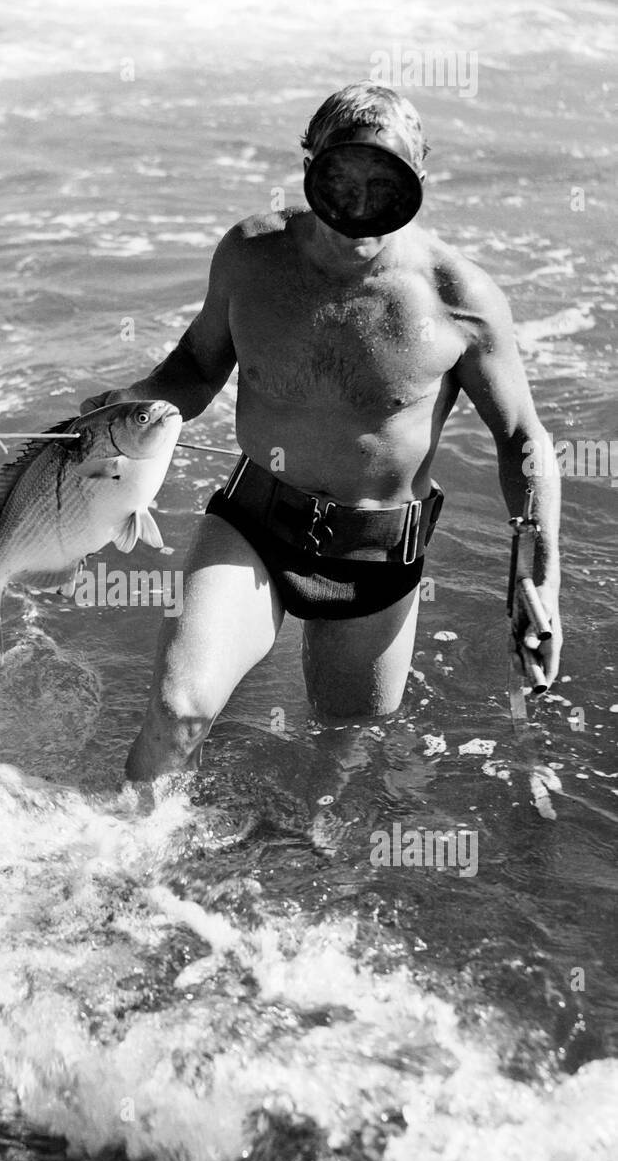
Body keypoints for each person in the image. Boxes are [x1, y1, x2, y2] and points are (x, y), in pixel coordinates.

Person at [79, 83, 561, 782]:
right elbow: (193, 368)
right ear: (308, 167)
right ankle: (120, 871)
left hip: (374, 558)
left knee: (339, 762)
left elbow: (523, 439)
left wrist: (533, 570)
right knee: (178, 709)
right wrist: (123, 403)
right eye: (339, 183)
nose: (358, 212)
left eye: (383, 187)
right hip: (253, 521)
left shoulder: (459, 299)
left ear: (417, 182)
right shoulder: (251, 254)